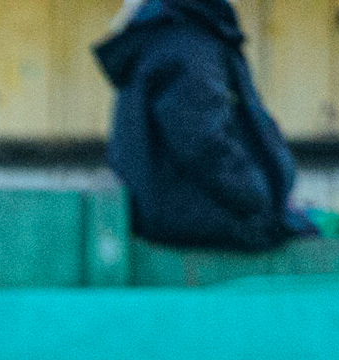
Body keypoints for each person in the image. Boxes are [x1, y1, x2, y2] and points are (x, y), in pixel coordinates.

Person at [94, 0, 315, 251]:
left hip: (174, 213)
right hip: (203, 218)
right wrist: (258, 196)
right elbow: (202, 141)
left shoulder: (170, 35)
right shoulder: (188, 43)